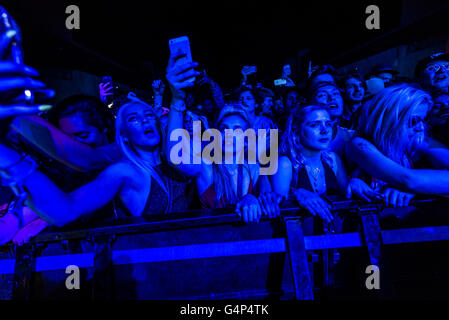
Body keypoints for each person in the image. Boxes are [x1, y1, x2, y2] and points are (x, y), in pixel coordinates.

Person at [165, 50, 280, 222]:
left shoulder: (254, 168)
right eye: (224, 128)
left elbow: (270, 199)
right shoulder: (206, 167)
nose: (229, 134)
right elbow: (175, 156)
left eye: (237, 130)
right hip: (214, 244)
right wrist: (176, 99)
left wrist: (251, 197)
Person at [271, 105, 379, 222]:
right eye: (314, 125)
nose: (324, 130)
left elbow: (346, 194)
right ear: (297, 131)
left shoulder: (333, 159)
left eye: (328, 124)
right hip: (301, 235)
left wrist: (354, 183)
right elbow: (280, 207)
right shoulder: (285, 163)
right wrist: (296, 194)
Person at [347, 84, 449, 207]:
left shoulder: (418, 141)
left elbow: (410, 183)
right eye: (413, 121)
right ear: (390, 119)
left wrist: (417, 189)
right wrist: (416, 186)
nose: (420, 128)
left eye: (424, 120)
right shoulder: (359, 145)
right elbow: (409, 180)